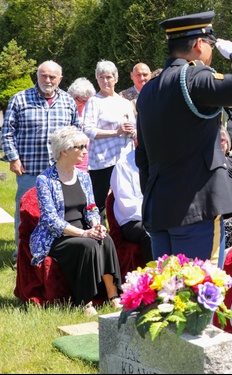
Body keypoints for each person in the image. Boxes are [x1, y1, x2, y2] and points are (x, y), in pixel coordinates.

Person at [135, 10, 232, 264]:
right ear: (199, 44)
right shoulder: (194, 78)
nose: (212, 51)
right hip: (196, 206)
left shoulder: (148, 90)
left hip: (160, 207)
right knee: (203, 293)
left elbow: (143, 156)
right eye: (211, 45)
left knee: (169, 295)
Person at [29, 127, 122, 317]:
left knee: (106, 240)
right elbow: (50, 220)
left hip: (83, 231)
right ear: (65, 150)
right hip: (57, 237)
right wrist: (84, 233)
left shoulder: (84, 176)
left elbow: (91, 208)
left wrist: (96, 224)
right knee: (88, 245)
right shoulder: (45, 180)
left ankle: (113, 296)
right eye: (81, 147)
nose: (86, 151)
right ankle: (86, 302)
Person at [1, 60, 80, 261]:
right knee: (26, 214)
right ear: (37, 76)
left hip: (58, 172)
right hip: (29, 170)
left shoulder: (68, 101)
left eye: (52, 77)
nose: (48, 80)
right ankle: (21, 255)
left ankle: (54, 254)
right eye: (44, 75)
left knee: (59, 214)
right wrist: (13, 158)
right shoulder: (20, 99)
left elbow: (75, 132)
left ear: (60, 79)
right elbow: (7, 132)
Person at [82, 60, 136, 223]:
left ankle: (123, 236)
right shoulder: (94, 101)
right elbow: (88, 130)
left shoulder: (124, 103)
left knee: (124, 199)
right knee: (98, 203)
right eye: (101, 77)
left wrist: (131, 131)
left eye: (109, 77)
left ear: (116, 79)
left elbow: (133, 128)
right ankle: (98, 235)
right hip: (102, 160)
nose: (106, 81)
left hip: (124, 158)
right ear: (97, 79)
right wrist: (116, 132)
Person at [110, 148, 153, 264]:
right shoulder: (124, 164)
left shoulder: (164, 159)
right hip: (133, 221)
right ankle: (153, 277)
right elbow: (127, 205)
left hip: (159, 217)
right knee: (152, 233)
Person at [67, 77, 97, 172]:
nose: (84, 104)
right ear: (72, 97)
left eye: (87, 101)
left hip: (90, 159)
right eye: (81, 101)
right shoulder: (67, 112)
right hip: (71, 159)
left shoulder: (91, 112)